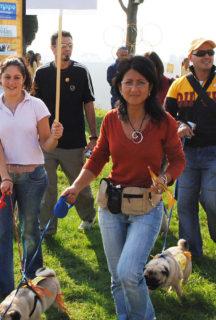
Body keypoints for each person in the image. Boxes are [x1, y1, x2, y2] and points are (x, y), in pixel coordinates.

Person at [62, 56, 185, 319]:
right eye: (128, 82)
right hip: (111, 205)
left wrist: (165, 178)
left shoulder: (164, 121)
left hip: (147, 207)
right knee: (117, 278)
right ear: (119, 86)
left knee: (129, 272)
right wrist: (75, 186)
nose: (134, 88)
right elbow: (98, 158)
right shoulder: (110, 119)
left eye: (141, 82)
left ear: (151, 86)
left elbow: (178, 160)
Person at [0, 56, 63, 301]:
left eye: (17, 77)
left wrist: (56, 136)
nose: (12, 82)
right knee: (1, 233)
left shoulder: (37, 105)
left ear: (25, 80)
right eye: (7, 77)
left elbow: (47, 144)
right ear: (0, 78)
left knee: (29, 231)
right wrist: (5, 177)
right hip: (1, 176)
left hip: (33, 177)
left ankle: (33, 282)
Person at [32, 30, 97, 235]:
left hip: (74, 142)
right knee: (47, 187)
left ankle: (88, 216)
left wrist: (93, 136)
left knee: (79, 186)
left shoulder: (80, 71)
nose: (67, 49)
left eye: (70, 45)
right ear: (52, 48)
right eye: (62, 45)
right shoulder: (42, 73)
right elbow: (33, 105)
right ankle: (47, 227)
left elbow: (89, 105)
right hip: (47, 142)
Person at [165, 38, 216, 257]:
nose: (207, 56)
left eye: (211, 52)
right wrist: (179, 124)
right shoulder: (178, 84)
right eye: (202, 53)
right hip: (185, 153)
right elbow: (167, 116)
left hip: (213, 151)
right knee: (185, 203)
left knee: (212, 200)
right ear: (191, 58)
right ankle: (192, 254)